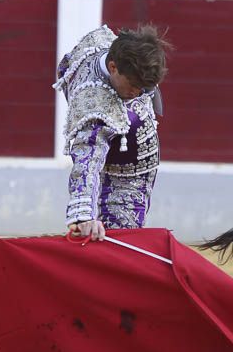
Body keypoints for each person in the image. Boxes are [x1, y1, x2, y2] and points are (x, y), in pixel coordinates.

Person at [54, 24, 171, 241]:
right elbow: (87, 158)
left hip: (128, 155)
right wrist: (83, 215)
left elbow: (65, 65)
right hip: (124, 174)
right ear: (113, 67)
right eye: (134, 86)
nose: (139, 93)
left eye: (145, 88)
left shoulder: (106, 44)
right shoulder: (93, 102)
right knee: (118, 245)